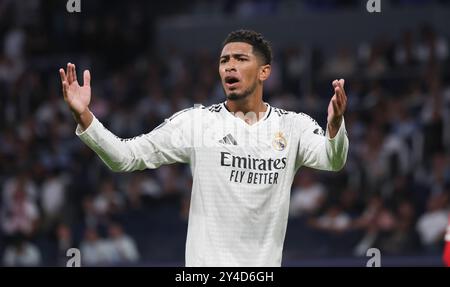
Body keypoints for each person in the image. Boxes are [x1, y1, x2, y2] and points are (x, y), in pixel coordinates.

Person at [59, 29, 349, 267]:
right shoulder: (197, 123)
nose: (229, 66)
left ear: (264, 72)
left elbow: (332, 160)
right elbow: (125, 158)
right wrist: (85, 115)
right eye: (224, 61)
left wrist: (335, 125)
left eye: (240, 59)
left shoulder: (293, 126)